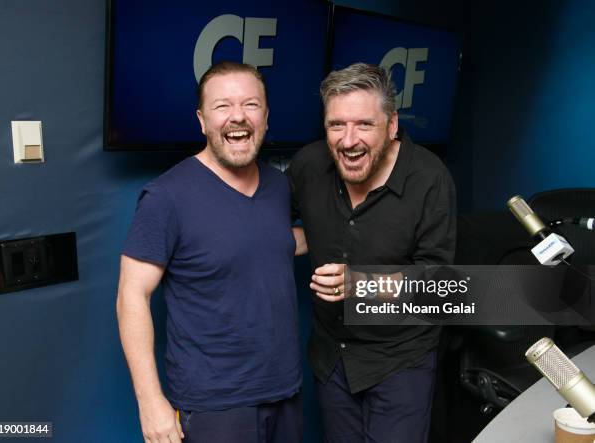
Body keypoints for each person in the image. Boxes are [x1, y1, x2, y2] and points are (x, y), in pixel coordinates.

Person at [117, 61, 302, 443]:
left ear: (266, 117)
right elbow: (131, 296)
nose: (238, 117)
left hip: (285, 390)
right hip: (215, 406)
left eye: (251, 105)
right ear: (202, 121)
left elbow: (271, 243)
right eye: (223, 106)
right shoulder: (166, 197)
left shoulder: (278, 186)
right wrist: (150, 401)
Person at [288, 63, 456, 442]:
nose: (349, 141)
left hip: (400, 359)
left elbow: (437, 281)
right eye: (336, 125)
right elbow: (281, 228)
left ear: (392, 125)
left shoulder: (429, 178)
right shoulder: (309, 166)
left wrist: (360, 285)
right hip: (332, 356)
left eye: (364, 124)